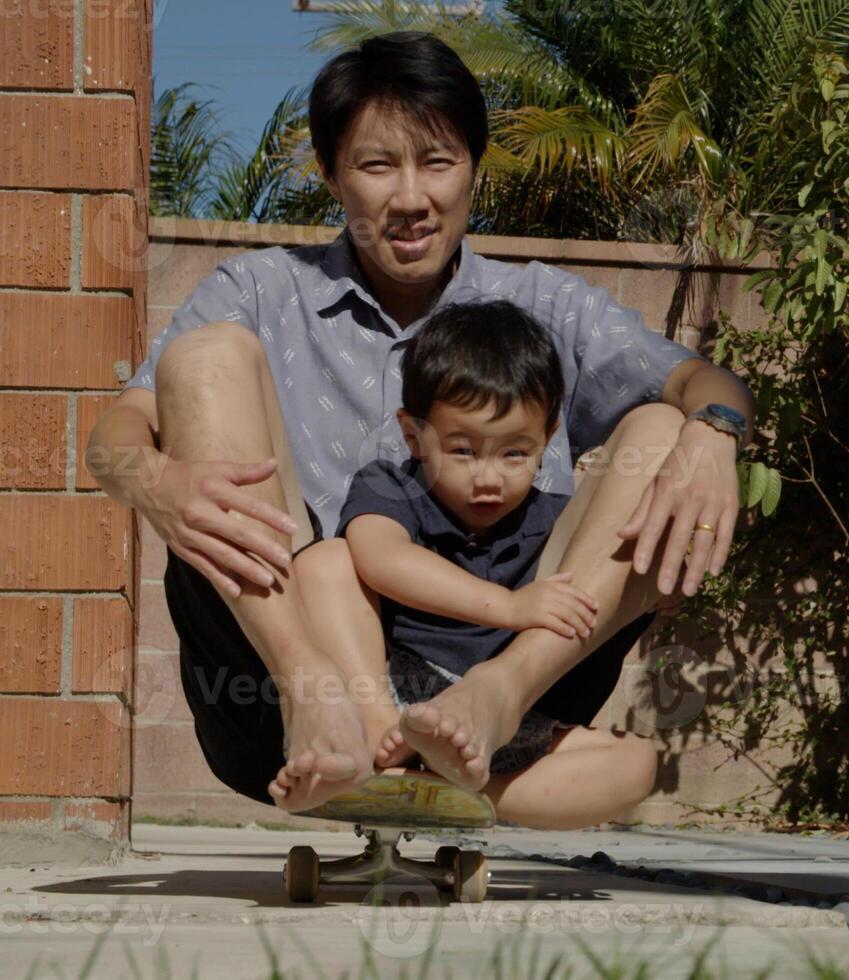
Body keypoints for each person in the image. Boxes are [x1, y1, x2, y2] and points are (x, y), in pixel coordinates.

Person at [83, 32, 755, 812]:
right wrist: (157, 482)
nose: (411, 197)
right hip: (286, 675)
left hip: (504, 679)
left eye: (437, 162)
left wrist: (713, 434)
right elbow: (114, 438)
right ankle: (325, 705)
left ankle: (484, 712)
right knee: (204, 356)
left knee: (666, 428)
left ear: (473, 167)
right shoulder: (261, 290)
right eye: (377, 165)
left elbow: (708, 383)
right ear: (333, 176)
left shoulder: (545, 303)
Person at [288, 300, 652, 828]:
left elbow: (607, 582)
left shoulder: (557, 519)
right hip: (398, 695)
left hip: (502, 725)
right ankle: (377, 735)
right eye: (463, 451)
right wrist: (507, 606)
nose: (489, 478)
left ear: (547, 438)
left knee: (639, 765)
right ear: (413, 435)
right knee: (325, 561)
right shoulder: (394, 486)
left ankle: (456, 797)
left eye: (514, 454)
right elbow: (379, 556)